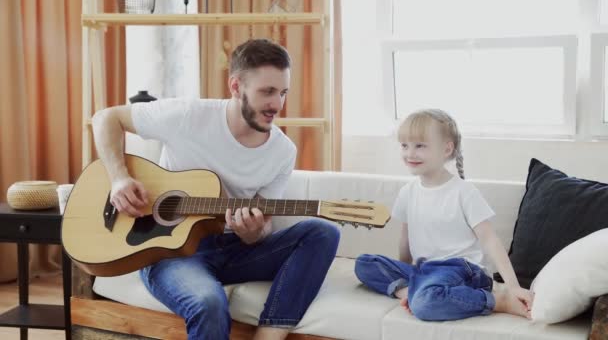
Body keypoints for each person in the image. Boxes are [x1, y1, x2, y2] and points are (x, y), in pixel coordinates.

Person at [91, 38, 340, 340]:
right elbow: (106, 118)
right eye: (267, 91)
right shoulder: (188, 116)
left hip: (234, 250)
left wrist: (253, 233)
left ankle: (269, 334)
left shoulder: (282, 151)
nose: (277, 104)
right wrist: (119, 178)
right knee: (207, 301)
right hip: (170, 252)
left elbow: (262, 225)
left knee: (323, 232)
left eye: (283, 92)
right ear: (235, 87)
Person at [354, 109, 533, 321]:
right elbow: (405, 239)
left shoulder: (464, 192)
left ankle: (497, 301)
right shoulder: (407, 192)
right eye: (404, 145)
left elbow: (490, 240)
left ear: (447, 149)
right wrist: (406, 270)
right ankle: (411, 291)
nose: (410, 153)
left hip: (460, 270)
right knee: (364, 263)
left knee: (425, 304)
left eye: (420, 146)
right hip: (424, 270)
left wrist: (512, 286)